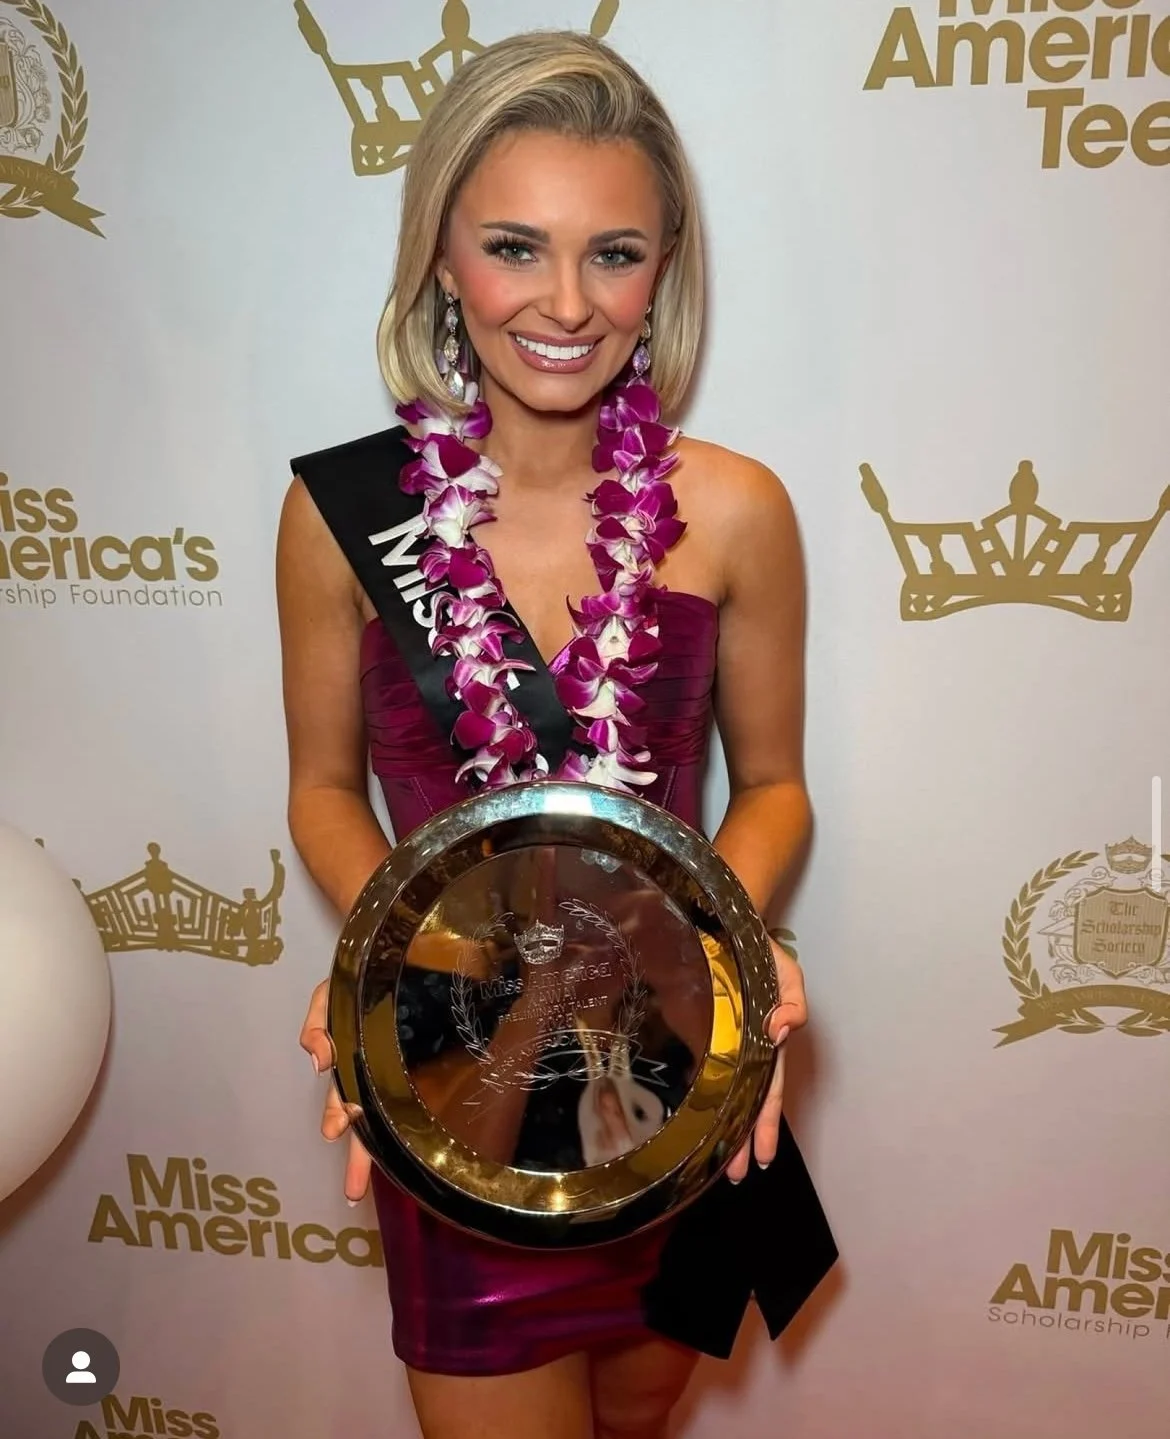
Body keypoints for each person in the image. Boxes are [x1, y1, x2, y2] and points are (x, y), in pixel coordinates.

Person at [277, 29, 837, 1439]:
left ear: (664, 271)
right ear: (440, 262)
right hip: (464, 1077)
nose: (567, 302)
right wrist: (390, 957)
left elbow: (770, 789)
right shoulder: (342, 515)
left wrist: (735, 928)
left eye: (616, 253)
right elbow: (323, 793)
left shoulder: (739, 507)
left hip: (684, 1071)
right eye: (515, 246)